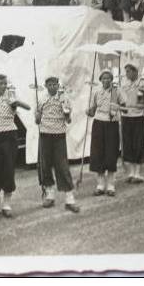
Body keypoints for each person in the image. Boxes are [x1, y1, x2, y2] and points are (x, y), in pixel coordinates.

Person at [0, 74, 31, 218]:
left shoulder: (11, 98)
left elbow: (28, 107)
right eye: (1, 83)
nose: (3, 86)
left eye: (5, 83)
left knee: (8, 168)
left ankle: (7, 203)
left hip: (9, 136)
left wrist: (17, 103)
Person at [35, 76, 80, 213]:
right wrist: (37, 115)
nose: (52, 86)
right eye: (49, 84)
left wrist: (66, 114)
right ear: (46, 85)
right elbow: (37, 120)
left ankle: (69, 198)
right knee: (45, 165)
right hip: (44, 135)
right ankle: (49, 194)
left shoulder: (64, 99)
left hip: (59, 135)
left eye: (54, 84)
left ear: (57, 85)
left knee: (62, 165)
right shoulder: (41, 99)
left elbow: (69, 120)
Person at [86, 69, 122, 196]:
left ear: (112, 79)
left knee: (111, 153)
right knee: (98, 153)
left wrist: (118, 107)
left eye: (108, 78)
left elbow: (125, 106)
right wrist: (89, 111)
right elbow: (92, 110)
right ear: (100, 80)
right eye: (104, 78)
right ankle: (100, 185)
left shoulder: (116, 92)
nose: (106, 80)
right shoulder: (96, 92)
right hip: (98, 123)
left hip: (111, 124)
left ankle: (111, 185)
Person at [118, 64, 144, 182]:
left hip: (138, 116)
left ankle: (137, 173)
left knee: (138, 144)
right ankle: (131, 173)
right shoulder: (123, 85)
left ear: (135, 72)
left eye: (129, 71)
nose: (127, 74)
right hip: (126, 117)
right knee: (128, 145)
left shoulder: (143, 84)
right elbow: (119, 101)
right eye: (126, 71)